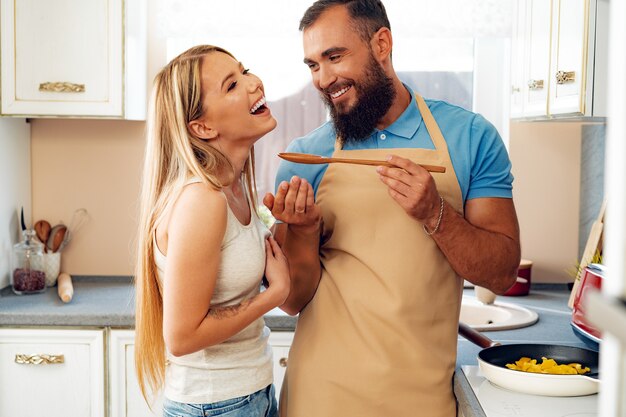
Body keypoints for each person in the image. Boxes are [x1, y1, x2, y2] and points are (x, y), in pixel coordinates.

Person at [263, 1, 521, 416]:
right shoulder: (304, 157)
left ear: (381, 43)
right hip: (321, 395)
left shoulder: (472, 137)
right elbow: (292, 300)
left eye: (334, 57)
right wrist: (304, 232)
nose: (323, 78)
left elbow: (501, 272)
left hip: (422, 400)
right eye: (313, 65)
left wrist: (435, 213)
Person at [134, 44, 290, 417]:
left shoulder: (234, 188)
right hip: (217, 405)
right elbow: (182, 337)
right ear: (202, 127)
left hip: (248, 395)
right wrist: (275, 295)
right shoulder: (202, 200)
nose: (254, 84)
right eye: (232, 85)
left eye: (245, 71)